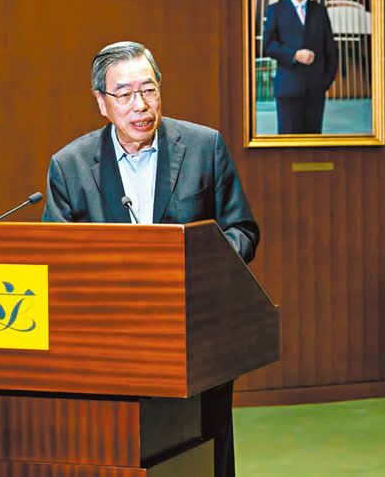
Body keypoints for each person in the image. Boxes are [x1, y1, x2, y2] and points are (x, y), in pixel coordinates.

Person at [43, 40, 259, 477]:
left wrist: (200, 261)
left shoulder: (203, 146)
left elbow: (243, 231)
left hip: (195, 337)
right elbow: (54, 260)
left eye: (148, 90)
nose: (140, 105)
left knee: (204, 454)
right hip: (109, 345)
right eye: (124, 94)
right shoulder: (70, 165)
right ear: (102, 102)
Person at [262, 0, 338, 134]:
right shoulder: (276, 10)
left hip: (315, 91)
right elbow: (268, 45)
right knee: (288, 142)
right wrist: (294, 55)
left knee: (313, 142)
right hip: (288, 90)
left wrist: (324, 83)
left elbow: (331, 51)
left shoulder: (320, 11)